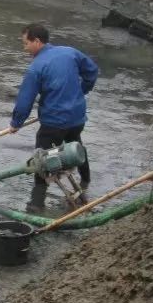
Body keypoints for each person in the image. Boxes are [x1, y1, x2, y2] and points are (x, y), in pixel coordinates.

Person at [9, 23, 100, 189]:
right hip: (77, 118)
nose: (25, 48)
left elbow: (25, 100)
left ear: (36, 41)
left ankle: (38, 198)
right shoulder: (70, 52)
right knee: (76, 144)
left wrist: (16, 123)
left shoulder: (36, 67)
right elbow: (92, 71)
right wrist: (82, 91)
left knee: (41, 160)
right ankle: (86, 180)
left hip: (54, 122)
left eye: (26, 43)